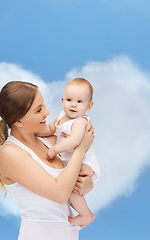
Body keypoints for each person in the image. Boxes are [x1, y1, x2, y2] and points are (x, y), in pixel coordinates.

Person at [0, 81, 95, 240]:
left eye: (44, 105)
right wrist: (80, 150)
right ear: (18, 121)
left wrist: (88, 183)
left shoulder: (51, 141)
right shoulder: (10, 153)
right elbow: (60, 193)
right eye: (39, 110)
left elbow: (74, 177)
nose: (47, 112)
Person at [37, 77, 100, 228]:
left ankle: (86, 214)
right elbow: (51, 129)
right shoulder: (60, 117)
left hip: (86, 162)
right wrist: (37, 132)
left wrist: (55, 150)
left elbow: (74, 141)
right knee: (70, 186)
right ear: (62, 100)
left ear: (89, 106)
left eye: (79, 102)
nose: (73, 104)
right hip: (72, 162)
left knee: (72, 190)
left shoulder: (80, 121)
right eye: (69, 99)